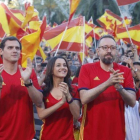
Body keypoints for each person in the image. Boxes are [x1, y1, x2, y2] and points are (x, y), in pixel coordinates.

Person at [78, 35, 136, 140]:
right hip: (91, 133)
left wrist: (119, 88)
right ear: (98, 51)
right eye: (105, 47)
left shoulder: (125, 71)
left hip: (117, 133)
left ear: (116, 51)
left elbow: (132, 102)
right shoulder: (86, 69)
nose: (109, 51)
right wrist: (108, 83)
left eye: (112, 48)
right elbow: (84, 98)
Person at [0, 36, 43, 140]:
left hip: (27, 136)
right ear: (1, 51)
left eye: (17, 48)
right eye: (10, 48)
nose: (14, 50)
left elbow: (39, 101)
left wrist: (28, 82)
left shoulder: (28, 73)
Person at [36, 56, 80, 140]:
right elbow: (41, 115)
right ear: (51, 70)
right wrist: (61, 102)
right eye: (58, 65)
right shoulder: (44, 90)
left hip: (68, 137)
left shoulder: (74, 89)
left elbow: (77, 115)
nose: (63, 67)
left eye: (64, 65)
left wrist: (68, 96)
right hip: (48, 136)